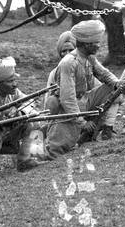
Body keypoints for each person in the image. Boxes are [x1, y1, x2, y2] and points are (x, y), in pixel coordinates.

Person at [44, 19, 121, 156]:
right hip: (68, 110)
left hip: (84, 101)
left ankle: (100, 129)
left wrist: (118, 83)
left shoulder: (89, 57)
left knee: (113, 89)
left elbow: (104, 74)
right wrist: (81, 122)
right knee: (56, 152)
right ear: (86, 44)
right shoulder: (69, 63)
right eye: (96, 43)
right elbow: (67, 99)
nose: (99, 45)